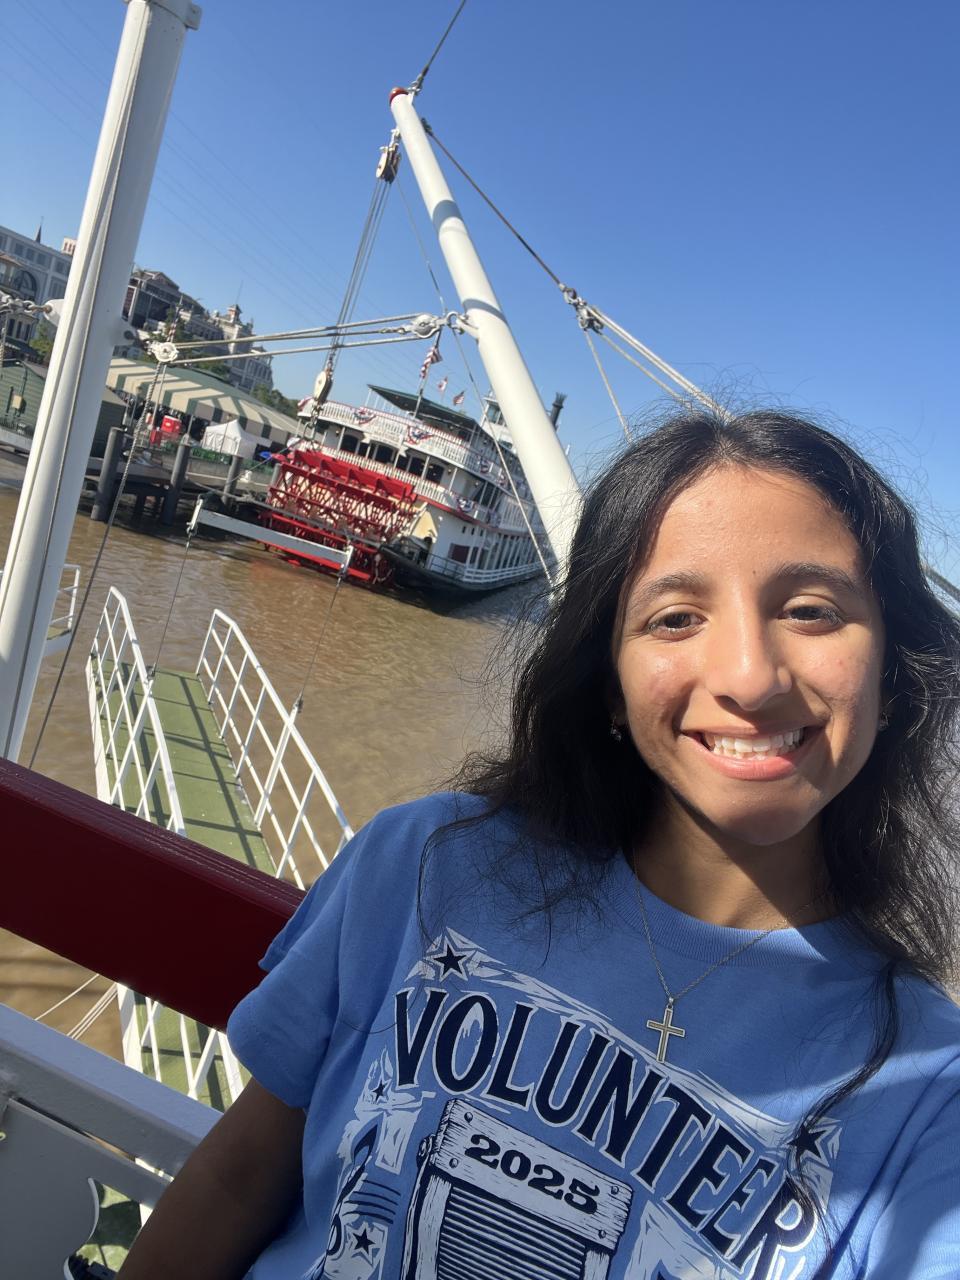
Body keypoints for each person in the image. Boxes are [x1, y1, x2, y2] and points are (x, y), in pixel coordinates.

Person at [120, 410, 960, 1279]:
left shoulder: (932, 1092)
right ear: (610, 683)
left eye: (812, 611)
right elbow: (237, 1179)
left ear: (895, 674)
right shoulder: (426, 863)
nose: (748, 677)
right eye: (675, 618)